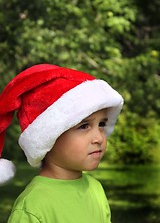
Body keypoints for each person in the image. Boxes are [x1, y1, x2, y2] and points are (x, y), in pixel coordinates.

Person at [0, 63, 124, 223]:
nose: (99, 138)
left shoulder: (95, 188)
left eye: (101, 124)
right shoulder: (33, 207)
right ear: (49, 137)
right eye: (84, 126)